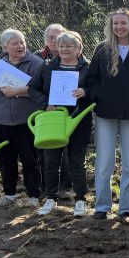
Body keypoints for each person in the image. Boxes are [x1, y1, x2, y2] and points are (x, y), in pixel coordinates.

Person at [86, 9, 129, 223]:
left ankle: (127, 208)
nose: (119, 27)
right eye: (116, 24)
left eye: (124, 23)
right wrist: (99, 97)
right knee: (104, 162)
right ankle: (102, 206)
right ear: (111, 26)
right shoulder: (102, 50)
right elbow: (91, 79)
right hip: (105, 114)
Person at [0, 29, 45, 209]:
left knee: (30, 159)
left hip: (26, 122)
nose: (20, 46)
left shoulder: (37, 64)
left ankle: (33, 196)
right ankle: (9, 194)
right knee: (5, 160)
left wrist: (19, 91)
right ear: (5, 47)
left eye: (22, 42)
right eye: (15, 43)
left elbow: (41, 90)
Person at [28, 31, 93, 217]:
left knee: (77, 162)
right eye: (61, 45)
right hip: (52, 120)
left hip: (78, 120)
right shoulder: (47, 67)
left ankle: (80, 199)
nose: (64, 49)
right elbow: (32, 88)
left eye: (69, 46)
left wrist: (85, 91)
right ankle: (50, 198)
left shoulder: (87, 68)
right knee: (50, 161)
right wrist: (45, 104)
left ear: (78, 48)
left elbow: (97, 90)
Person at [34, 23, 73, 201]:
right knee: (45, 152)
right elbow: (32, 88)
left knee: (69, 153)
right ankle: (47, 188)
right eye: (52, 38)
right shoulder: (38, 60)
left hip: (69, 114)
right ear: (46, 40)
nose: (56, 41)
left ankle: (66, 187)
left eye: (59, 37)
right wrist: (46, 104)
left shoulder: (79, 61)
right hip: (46, 116)